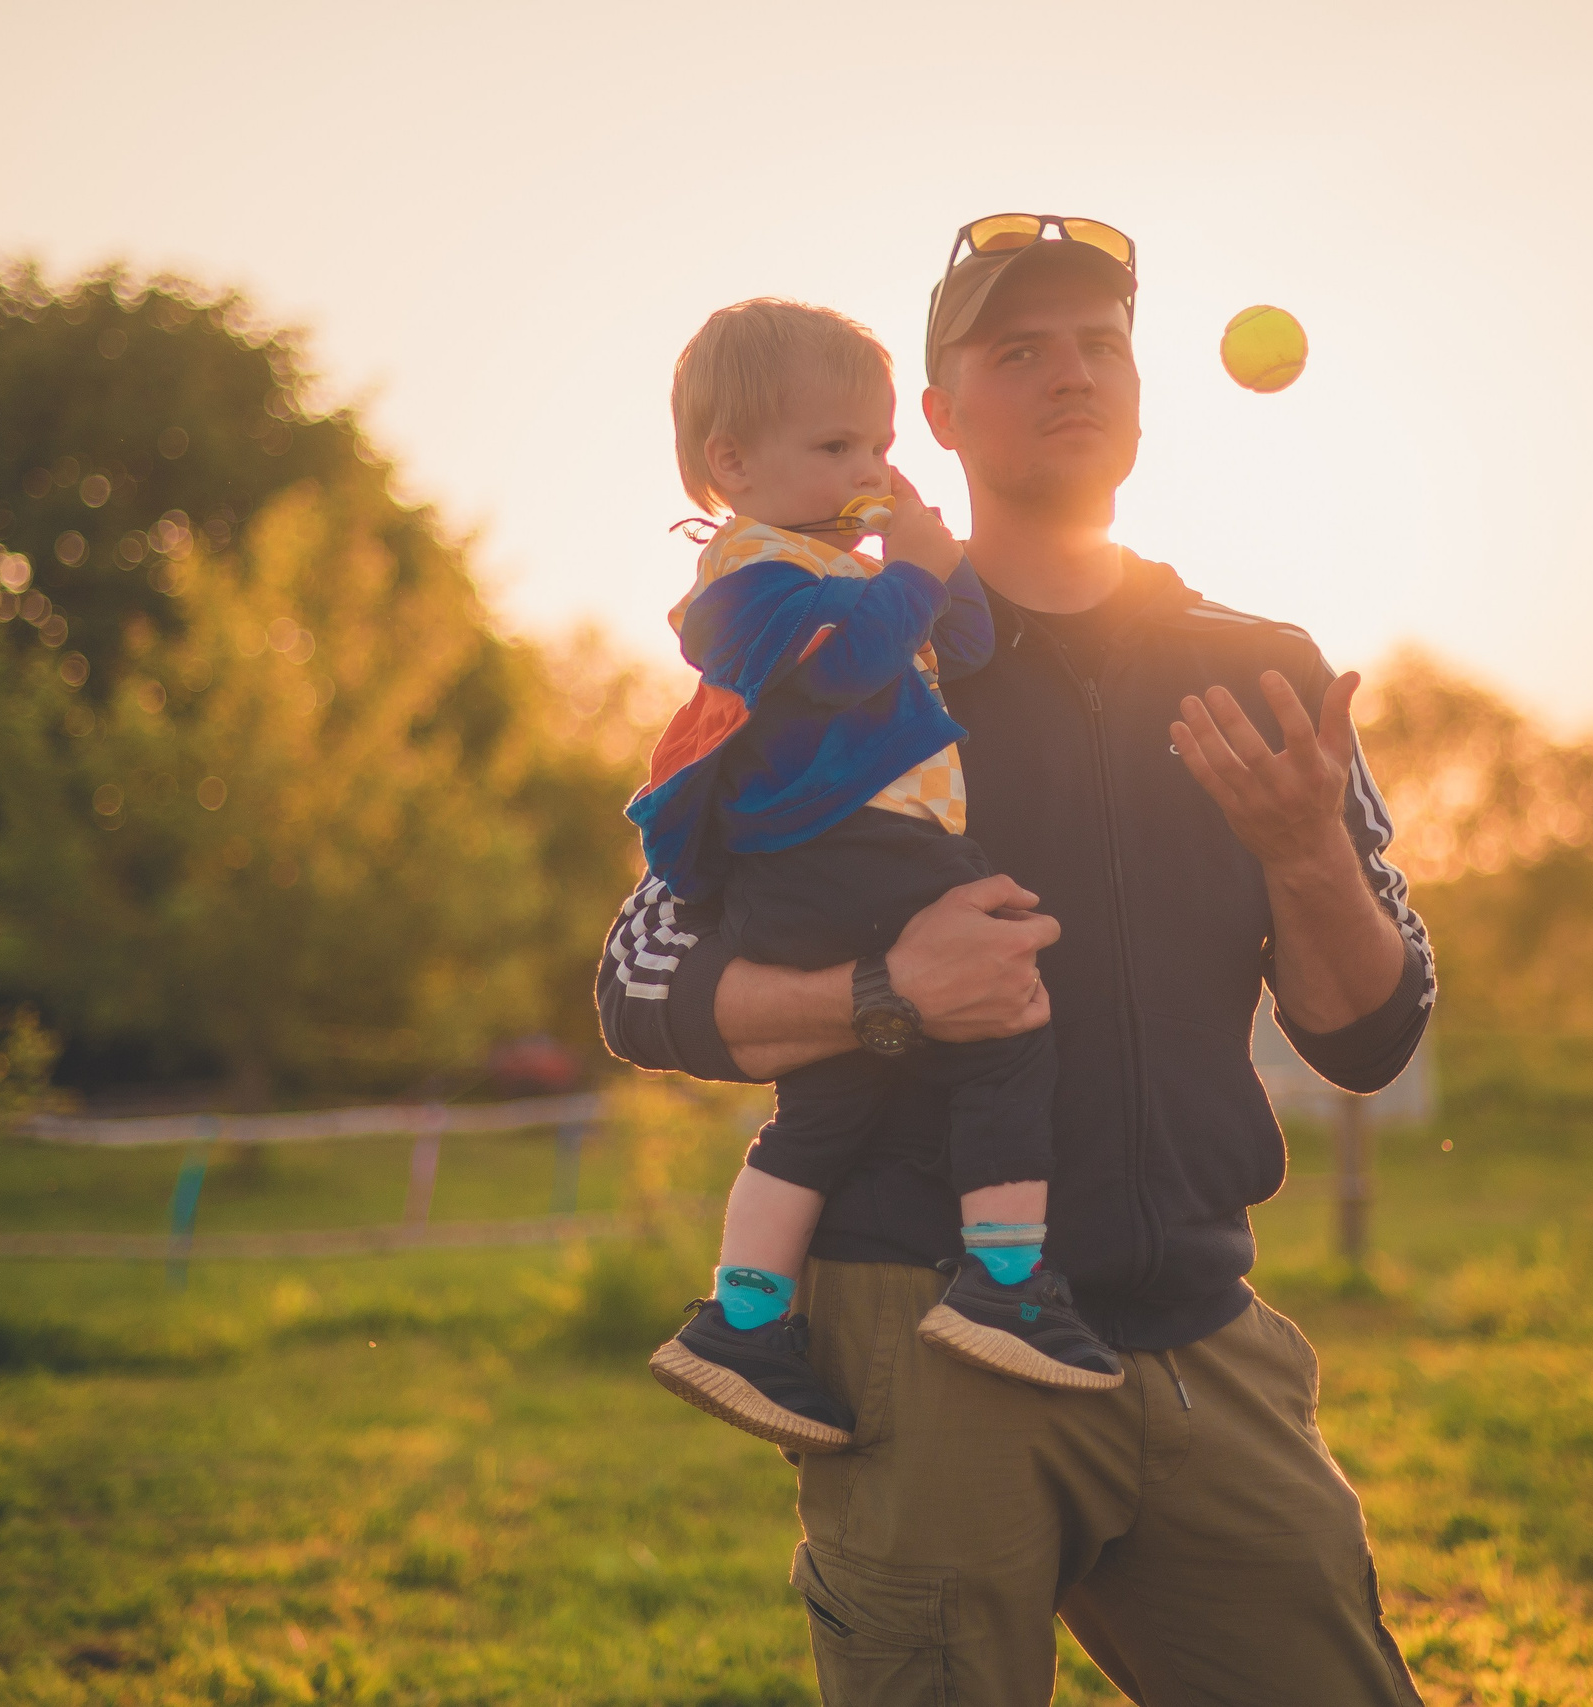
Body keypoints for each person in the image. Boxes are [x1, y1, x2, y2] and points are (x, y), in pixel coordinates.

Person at [598, 214, 1433, 1705]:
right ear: (935, 416)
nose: (1070, 372)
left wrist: (1308, 853)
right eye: (1016, 348)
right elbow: (639, 977)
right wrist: (881, 996)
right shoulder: (849, 654)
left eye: (1099, 342)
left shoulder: (1268, 665)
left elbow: (1368, 1034)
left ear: (1141, 384)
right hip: (926, 1351)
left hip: (1199, 1333)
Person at [633, 300, 1123, 1459]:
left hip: (847, 858)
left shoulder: (842, 564)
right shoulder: (744, 582)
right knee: (1011, 1013)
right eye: (837, 447)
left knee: (832, 1093)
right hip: (843, 851)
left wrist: (927, 557)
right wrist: (905, 571)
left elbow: (962, 645)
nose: (870, 467)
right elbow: (851, 666)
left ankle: (743, 1319)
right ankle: (1004, 1280)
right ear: (733, 463)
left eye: (880, 444)